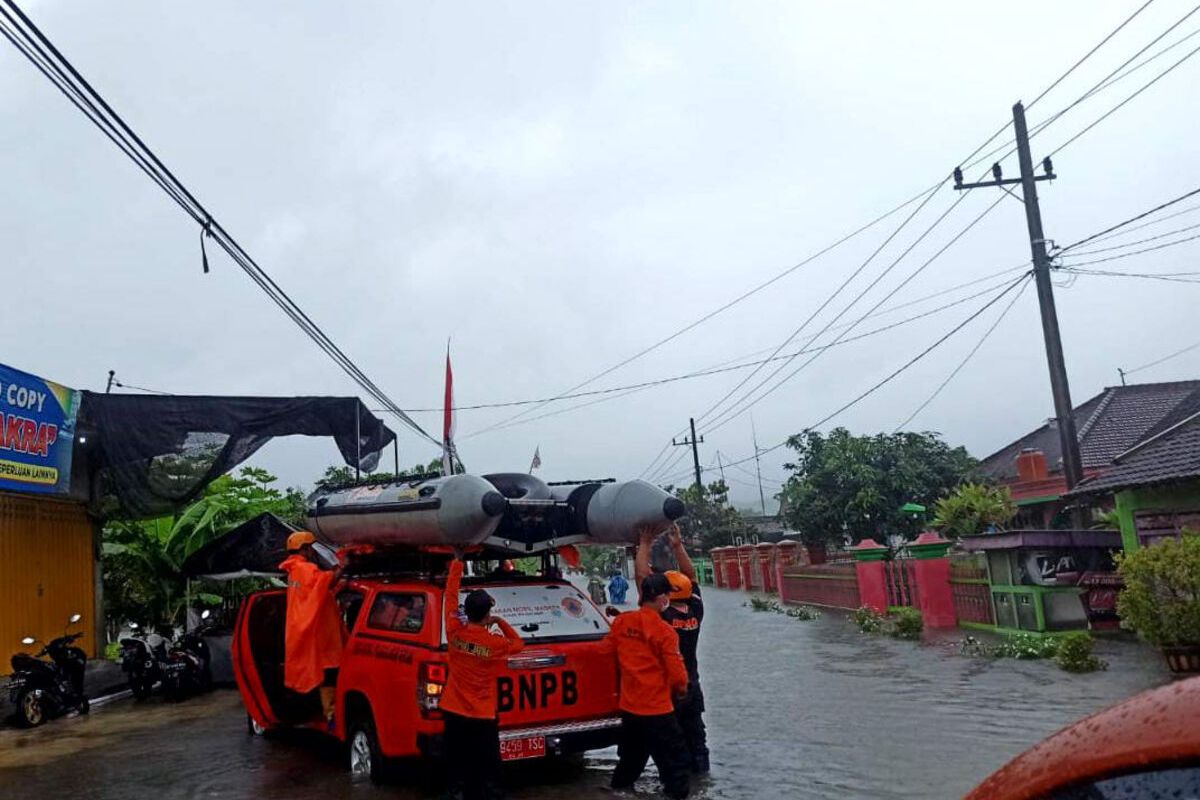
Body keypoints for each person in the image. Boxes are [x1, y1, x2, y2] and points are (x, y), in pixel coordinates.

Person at [441, 554, 525, 800]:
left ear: (466, 612)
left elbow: (451, 596)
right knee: (487, 765)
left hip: (454, 709)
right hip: (482, 714)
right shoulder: (494, 643)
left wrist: (456, 562)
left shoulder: (454, 631)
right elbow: (518, 644)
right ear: (487, 614)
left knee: (456, 762)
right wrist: (500, 622)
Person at [607, 572, 692, 799]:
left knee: (630, 760)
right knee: (675, 764)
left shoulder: (622, 622)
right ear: (663, 598)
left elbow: (607, 650)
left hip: (629, 707)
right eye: (667, 596)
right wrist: (683, 691)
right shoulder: (665, 632)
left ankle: (617, 791)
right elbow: (677, 675)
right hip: (658, 709)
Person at [636, 524, 709, 774]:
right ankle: (702, 779)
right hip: (692, 685)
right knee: (698, 739)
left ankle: (681, 785)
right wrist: (678, 547)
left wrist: (644, 543)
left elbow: (642, 580)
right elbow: (692, 577)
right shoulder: (696, 611)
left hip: (669, 690)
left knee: (673, 742)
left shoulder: (662, 616)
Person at [278, 531, 345, 727]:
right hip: (321, 635)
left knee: (322, 673)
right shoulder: (305, 569)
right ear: (306, 549)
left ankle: (328, 713)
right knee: (329, 673)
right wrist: (343, 567)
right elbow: (326, 581)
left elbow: (318, 593)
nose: (313, 552)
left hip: (309, 631)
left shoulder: (293, 571)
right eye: (311, 548)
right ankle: (331, 715)